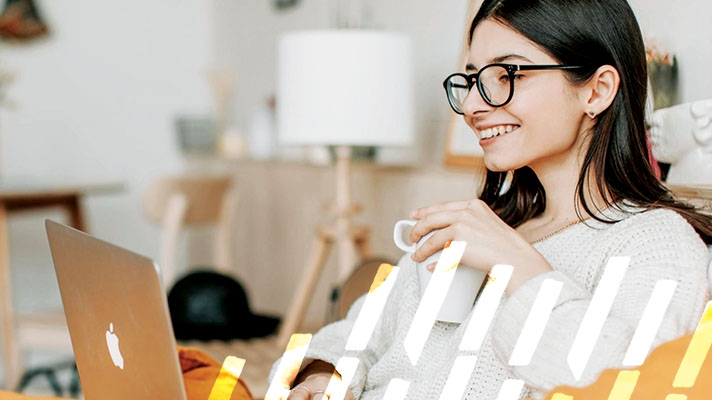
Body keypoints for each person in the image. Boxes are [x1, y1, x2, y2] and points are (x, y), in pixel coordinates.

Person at [272, 0, 712, 399]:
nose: (472, 107)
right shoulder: (484, 224)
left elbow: (626, 383)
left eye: (508, 75)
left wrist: (520, 268)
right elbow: (356, 333)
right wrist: (325, 378)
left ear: (596, 90)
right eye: (473, 80)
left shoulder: (655, 244)